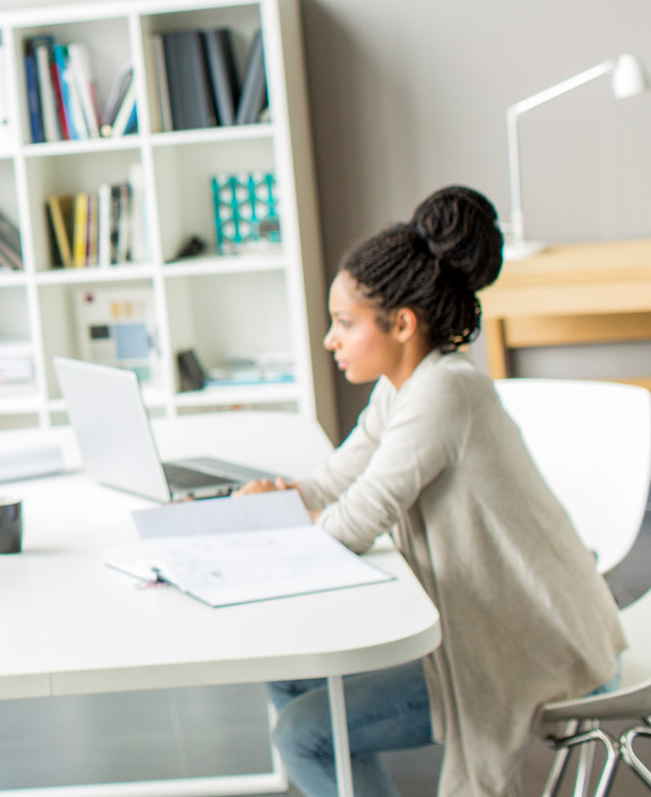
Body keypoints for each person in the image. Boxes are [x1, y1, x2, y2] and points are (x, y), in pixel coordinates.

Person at [240, 186, 623, 797]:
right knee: (294, 675)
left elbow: (359, 517)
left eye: (342, 324)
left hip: (525, 641)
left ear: (403, 323)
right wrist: (275, 499)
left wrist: (255, 552)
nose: (329, 341)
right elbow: (336, 483)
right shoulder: (405, 387)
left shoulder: (444, 392)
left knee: (304, 735)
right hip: (486, 621)